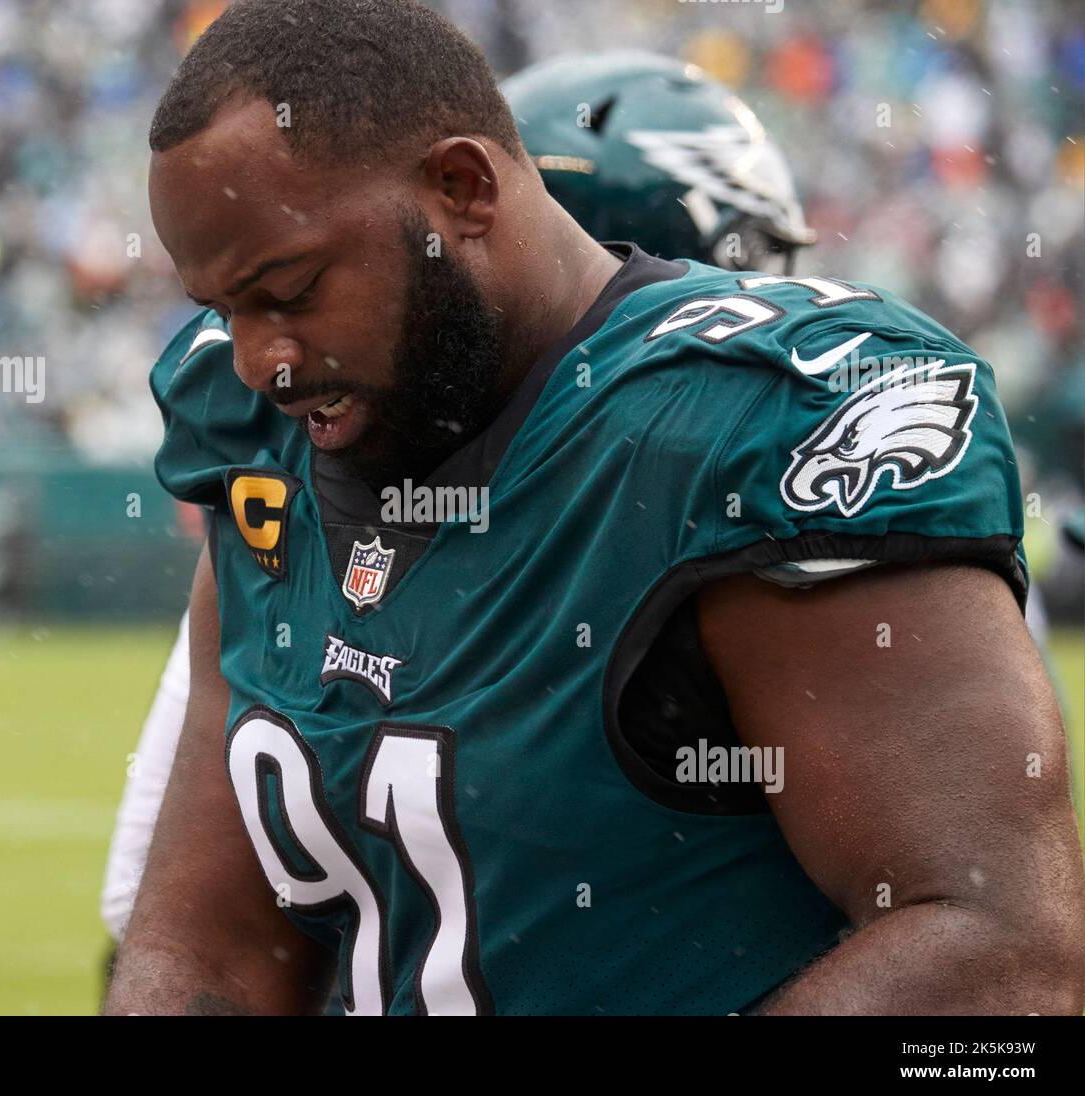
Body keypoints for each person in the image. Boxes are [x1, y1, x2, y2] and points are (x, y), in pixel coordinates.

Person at [107, 0, 1084, 1016]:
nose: (261, 359)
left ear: (462, 187)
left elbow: (997, 960)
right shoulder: (269, 446)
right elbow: (210, 948)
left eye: (293, 289)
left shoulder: (745, 425)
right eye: (226, 310)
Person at [98, 50, 820, 953]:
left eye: (293, 293)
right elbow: (177, 925)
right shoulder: (289, 459)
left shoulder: (766, 436)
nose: (256, 362)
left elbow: (980, 943)